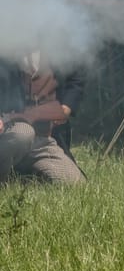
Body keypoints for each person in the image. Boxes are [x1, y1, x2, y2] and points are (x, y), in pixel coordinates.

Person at [0, 53, 85, 184]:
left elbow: (76, 78)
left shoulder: (57, 46)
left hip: (44, 138)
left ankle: (19, 173)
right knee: (24, 133)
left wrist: (66, 106)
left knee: (76, 182)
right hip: (10, 132)